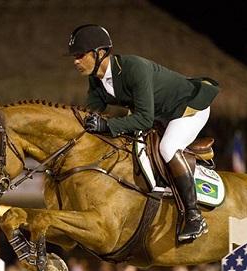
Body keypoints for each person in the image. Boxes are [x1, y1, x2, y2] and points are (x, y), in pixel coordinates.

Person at [67, 24, 219, 243]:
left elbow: (144, 119)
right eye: (74, 56)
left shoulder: (133, 68)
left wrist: (107, 126)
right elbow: (87, 116)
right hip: (161, 115)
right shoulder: (96, 80)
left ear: (99, 53)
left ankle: (194, 215)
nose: (75, 61)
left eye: (79, 55)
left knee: (167, 147)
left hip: (187, 109)